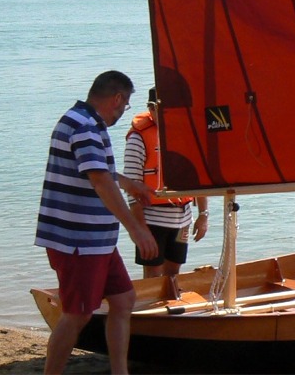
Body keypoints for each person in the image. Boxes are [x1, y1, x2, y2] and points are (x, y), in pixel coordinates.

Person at [34, 70, 159, 375]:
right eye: (125, 104)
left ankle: (120, 372)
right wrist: (136, 228)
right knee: (76, 315)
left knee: (123, 299)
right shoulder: (86, 127)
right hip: (78, 239)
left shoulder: (79, 119)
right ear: (117, 98)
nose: (123, 111)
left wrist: (128, 183)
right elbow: (100, 180)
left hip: (95, 239)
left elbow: (95, 169)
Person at [124, 101, 209, 278]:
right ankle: (152, 305)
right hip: (152, 219)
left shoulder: (186, 133)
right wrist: (140, 230)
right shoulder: (138, 139)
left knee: (174, 271)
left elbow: (198, 177)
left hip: (182, 219)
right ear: (150, 108)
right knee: (153, 274)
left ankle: (173, 300)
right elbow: (132, 190)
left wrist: (203, 214)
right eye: (157, 109)